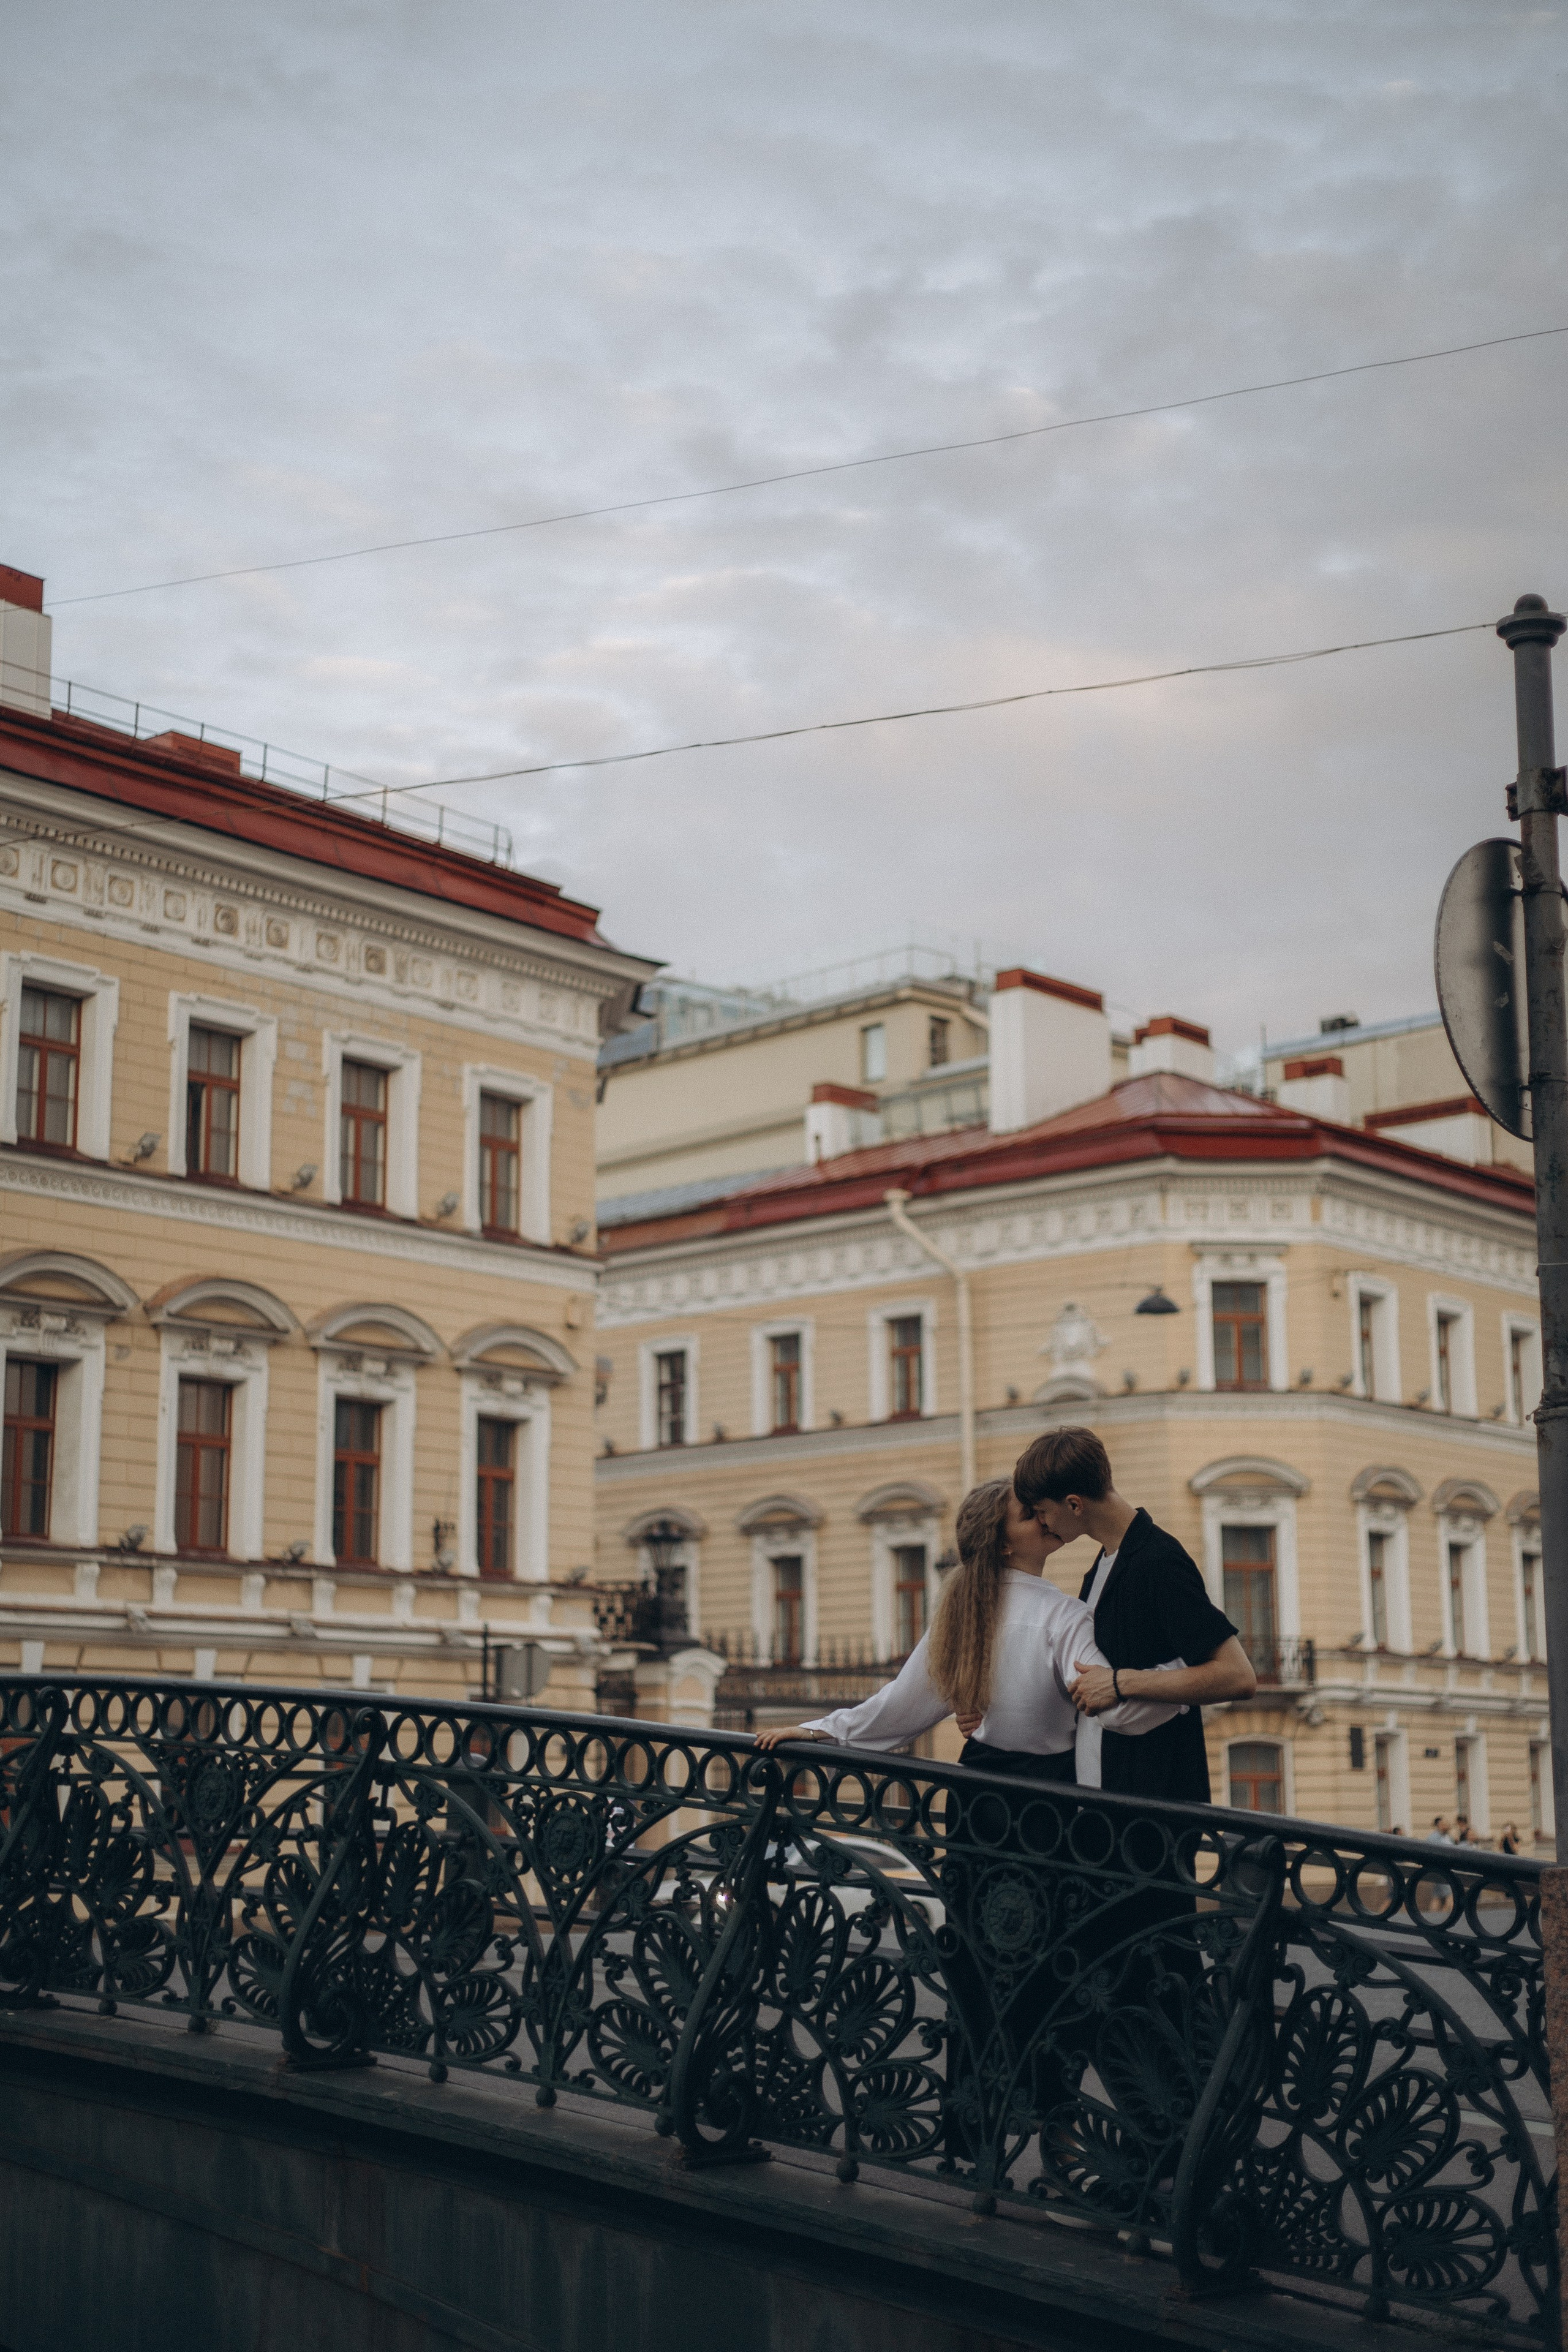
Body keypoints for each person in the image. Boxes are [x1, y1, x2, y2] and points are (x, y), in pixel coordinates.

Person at [755, 1477, 1178, 1770]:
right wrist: (1181, 1683)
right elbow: (1116, 1712)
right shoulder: (1064, 1616)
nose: (1046, 1517)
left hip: (976, 1793)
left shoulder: (961, 1615)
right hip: (1048, 1806)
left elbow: (896, 1711)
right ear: (1004, 1545)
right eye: (1030, 1514)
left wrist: (816, 1732)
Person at [1009, 1428, 1257, 1804]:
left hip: (1151, 1817)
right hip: (1107, 1810)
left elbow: (1238, 1676)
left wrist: (1122, 1683)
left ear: (1075, 1505)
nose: (1043, 1523)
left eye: (1043, 1511)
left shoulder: (1159, 1560)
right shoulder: (1105, 1563)